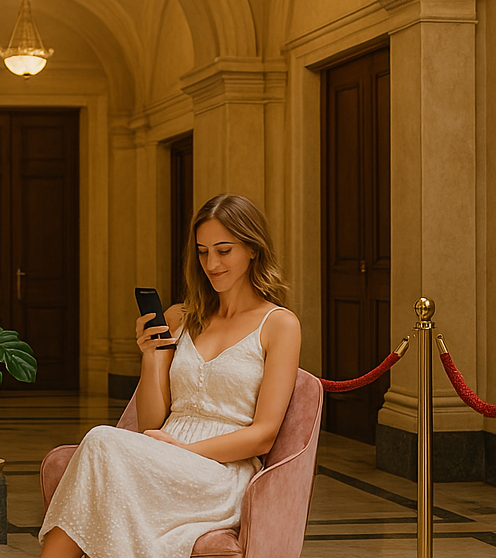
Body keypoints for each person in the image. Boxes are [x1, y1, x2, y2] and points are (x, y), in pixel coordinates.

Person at [38, 193, 302, 558]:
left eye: (224, 250)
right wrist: (151, 357)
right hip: (164, 451)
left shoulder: (280, 324)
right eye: (203, 251)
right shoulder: (180, 316)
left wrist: (187, 451)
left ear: (253, 249)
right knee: (103, 449)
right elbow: (151, 421)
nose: (212, 263)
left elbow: (263, 435)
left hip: (219, 469)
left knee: (101, 440)